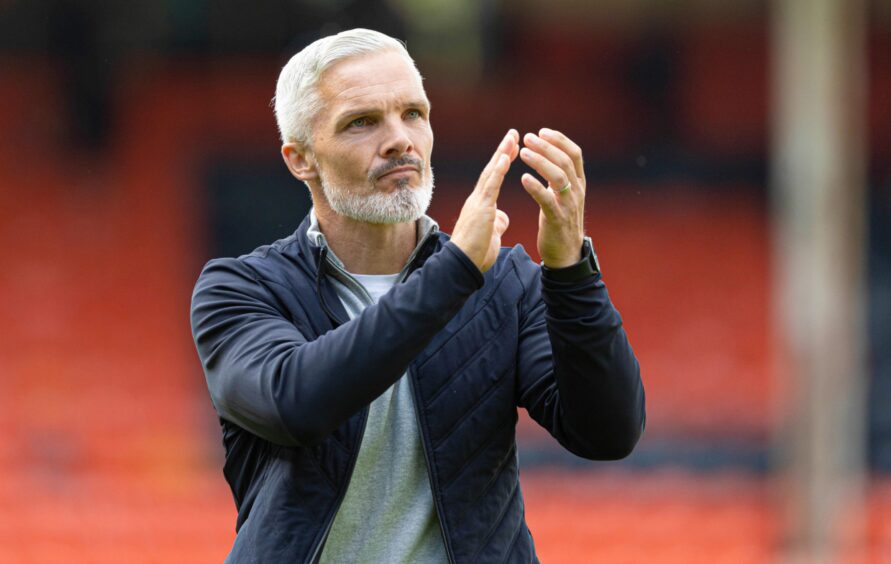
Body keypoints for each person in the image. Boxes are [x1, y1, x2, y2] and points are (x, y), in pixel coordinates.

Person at [190, 28, 645, 564]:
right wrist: (453, 273)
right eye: (362, 122)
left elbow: (608, 432)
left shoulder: (503, 281)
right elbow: (298, 403)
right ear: (300, 159)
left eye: (413, 113)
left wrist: (570, 271)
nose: (399, 139)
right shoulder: (240, 289)